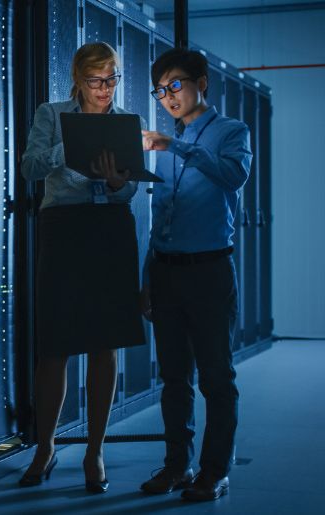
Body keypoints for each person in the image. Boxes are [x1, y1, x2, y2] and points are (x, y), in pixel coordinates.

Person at [19, 41, 146, 494]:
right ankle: (46, 445)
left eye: (112, 79)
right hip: (64, 229)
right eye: (96, 81)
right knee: (55, 344)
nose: (105, 89)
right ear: (78, 80)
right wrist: (67, 147)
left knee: (105, 342)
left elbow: (130, 192)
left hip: (109, 228)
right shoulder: (51, 114)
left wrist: (117, 184)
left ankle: (95, 449)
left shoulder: (130, 123)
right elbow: (30, 167)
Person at [139, 48, 252, 502]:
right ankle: (176, 466)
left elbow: (233, 176)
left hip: (209, 271)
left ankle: (214, 471)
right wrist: (147, 276)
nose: (168, 97)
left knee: (216, 379)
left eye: (176, 84)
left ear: (201, 82)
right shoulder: (162, 148)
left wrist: (176, 145)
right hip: (166, 273)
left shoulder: (231, 131)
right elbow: (160, 217)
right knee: (174, 378)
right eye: (161, 90)